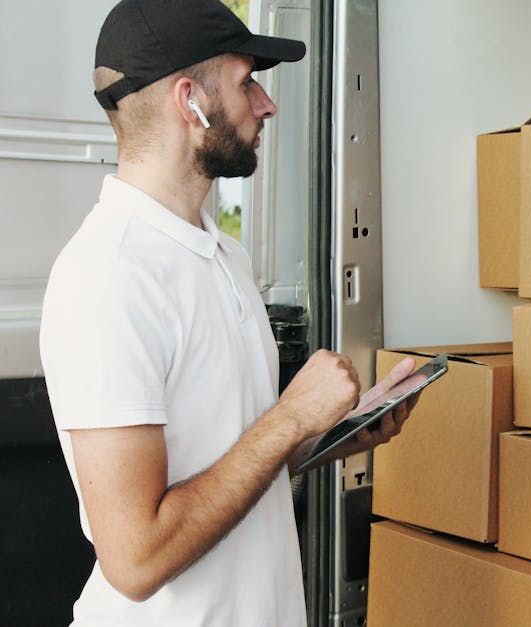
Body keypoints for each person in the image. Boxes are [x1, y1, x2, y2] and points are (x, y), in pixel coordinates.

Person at [39, 1, 416, 624]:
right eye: (247, 82)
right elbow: (135, 561)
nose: (266, 105)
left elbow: (224, 461)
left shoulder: (223, 255)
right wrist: (291, 414)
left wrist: (324, 434)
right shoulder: (108, 277)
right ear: (191, 101)